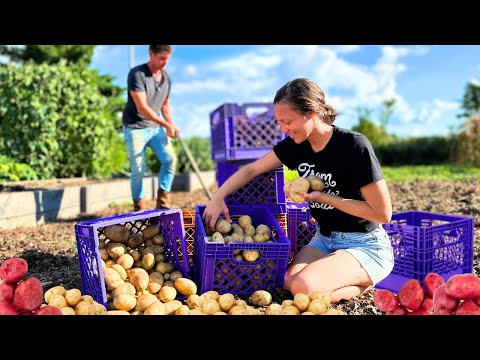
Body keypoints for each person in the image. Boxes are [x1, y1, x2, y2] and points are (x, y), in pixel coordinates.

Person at [202, 78, 394, 303]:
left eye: (288, 121)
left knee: (304, 289)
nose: (283, 129)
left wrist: (324, 198)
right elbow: (252, 169)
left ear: (311, 112)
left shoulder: (354, 146)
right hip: (325, 238)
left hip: (364, 243)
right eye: (279, 122)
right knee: (285, 281)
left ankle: (364, 285)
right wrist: (218, 196)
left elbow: (383, 214)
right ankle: (338, 275)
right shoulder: (296, 145)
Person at [122, 45, 180, 211]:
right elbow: (142, 108)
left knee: (170, 159)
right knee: (138, 169)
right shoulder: (137, 74)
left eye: (167, 59)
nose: (165, 62)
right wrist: (165, 124)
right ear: (151, 54)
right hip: (135, 127)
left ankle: (162, 201)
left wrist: (171, 125)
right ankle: (139, 206)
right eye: (161, 58)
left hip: (155, 127)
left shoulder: (166, 78)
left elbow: (165, 105)